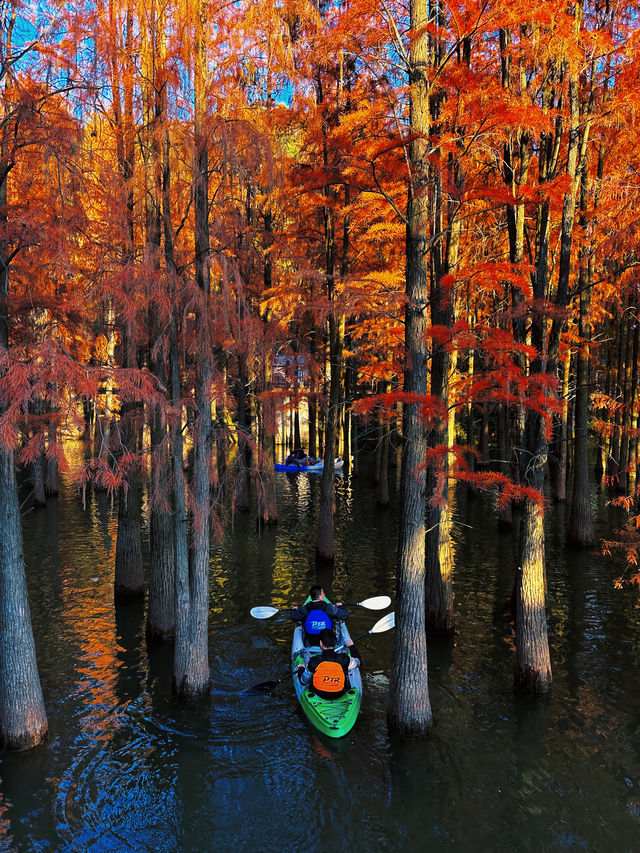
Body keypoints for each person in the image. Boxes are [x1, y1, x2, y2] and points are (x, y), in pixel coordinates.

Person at [296, 628, 361, 699]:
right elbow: (358, 661)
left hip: (319, 693)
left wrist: (301, 668)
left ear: (320, 643)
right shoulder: (344, 659)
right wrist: (352, 646)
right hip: (339, 693)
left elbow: (303, 681)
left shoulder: (314, 661)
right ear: (335, 642)